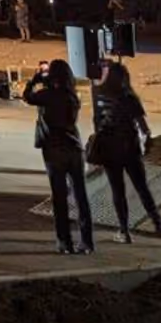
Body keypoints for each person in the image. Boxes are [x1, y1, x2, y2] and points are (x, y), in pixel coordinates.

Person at [91, 63, 161, 244]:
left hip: (109, 149)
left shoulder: (99, 94)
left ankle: (124, 231)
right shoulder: (129, 97)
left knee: (117, 190)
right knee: (142, 188)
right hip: (130, 148)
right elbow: (143, 126)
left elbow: (97, 122)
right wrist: (149, 139)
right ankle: (159, 226)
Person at [24, 58, 93, 254]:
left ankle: (65, 241)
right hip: (75, 147)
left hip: (54, 149)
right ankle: (87, 241)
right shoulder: (72, 96)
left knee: (60, 197)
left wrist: (35, 80)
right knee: (81, 196)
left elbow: (27, 97)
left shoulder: (47, 95)